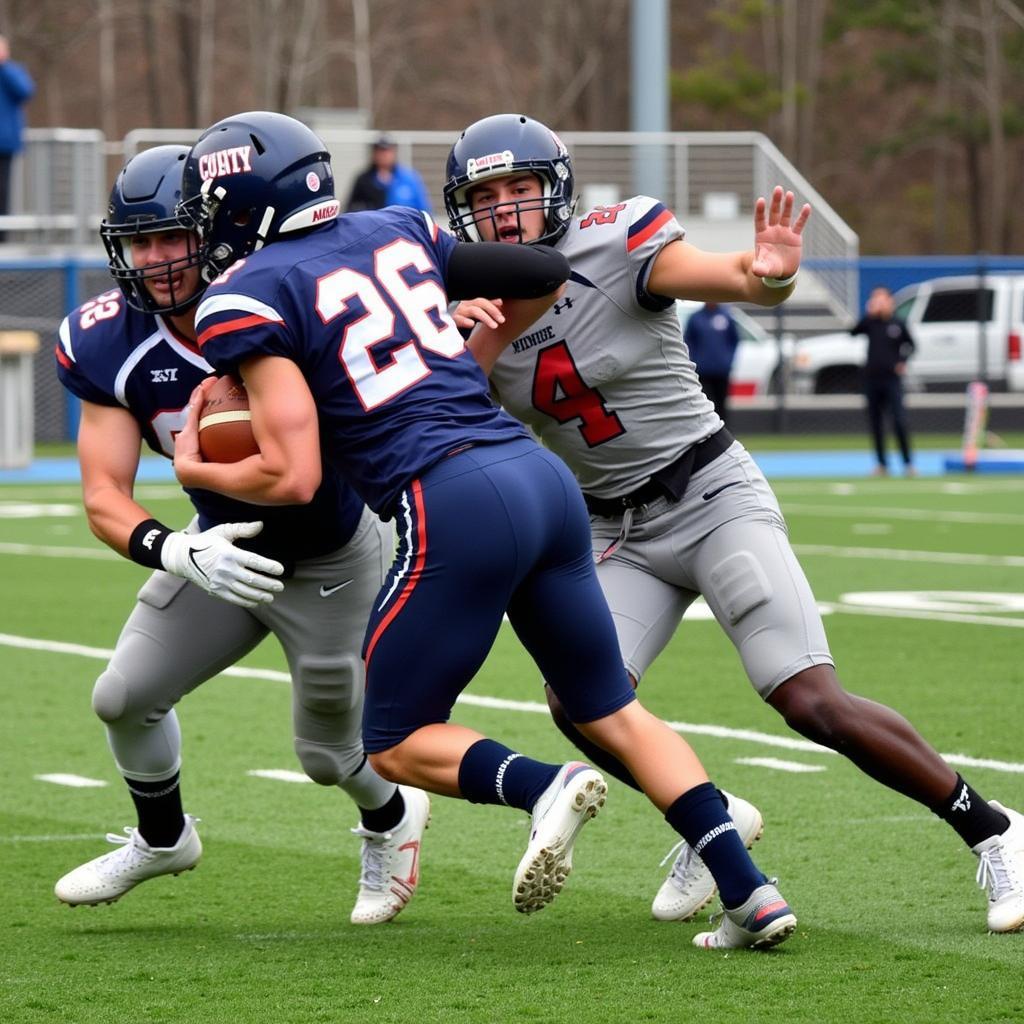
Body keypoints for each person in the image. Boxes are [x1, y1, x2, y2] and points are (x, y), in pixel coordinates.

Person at [173, 109, 797, 951]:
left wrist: (194, 468)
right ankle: (751, 893)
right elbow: (541, 266)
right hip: (542, 482)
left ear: (240, 202)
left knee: (387, 740)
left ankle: (545, 787)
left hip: (448, 498)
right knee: (611, 708)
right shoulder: (396, 227)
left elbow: (293, 475)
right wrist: (488, 333)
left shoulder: (243, 295)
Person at [442, 112, 1024, 935]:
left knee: (808, 698)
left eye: (520, 189)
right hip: (613, 530)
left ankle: (995, 830)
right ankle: (709, 818)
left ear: (557, 190)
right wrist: (476, 347)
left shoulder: (617, 241)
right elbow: (453, 427)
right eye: (486, 195)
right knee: (581, 704)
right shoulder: (460, 304)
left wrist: (773, 276)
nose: (505, 209)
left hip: (709, 495)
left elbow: (735, 276)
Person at [52, 145, 429, 926]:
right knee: (122, 696)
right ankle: (164, 840)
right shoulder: (109, 341)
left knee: (328, 756)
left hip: (331, 552)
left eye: (171, 237)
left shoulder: (281, 293)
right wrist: (178, 549)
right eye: (138, 241)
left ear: (215, 231)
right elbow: (102, 495)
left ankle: (393, 820)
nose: (154, 259)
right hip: (219, 549)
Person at [852, 285, 916, 476]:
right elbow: (853, 332)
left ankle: (908, 463)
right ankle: (882, 464)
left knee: (899, 421)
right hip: (872, 380)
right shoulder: (870, 323)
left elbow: (911, 345)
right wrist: (869, 314)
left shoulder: (898, 323)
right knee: (875, 423)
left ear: (890, 301)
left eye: (882, 299)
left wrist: (902, 362)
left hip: (892, 380)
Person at [683, 301, 740, 426]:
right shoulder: (696, 317)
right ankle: (707, 431)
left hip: (721, 370)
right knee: (705, 402)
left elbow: (734, 340)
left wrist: (728, 360)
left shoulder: (726, 315)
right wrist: (695, 360)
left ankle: (724, 431)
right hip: (702, 370)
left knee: (722, 403)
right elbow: (689, 341)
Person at [345, 133, 432, 213]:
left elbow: (424, 208)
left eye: (387, 151)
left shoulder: (409, 178)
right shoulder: (364, 180)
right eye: (380, 151)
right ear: (374, 154)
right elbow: (351, 208)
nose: (384, 155)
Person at [0, 33, 35, 232]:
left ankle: (2, 237)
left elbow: (25, 91)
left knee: (2, 192)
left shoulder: (13, 71)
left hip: (4, 143)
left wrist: (3, 67)